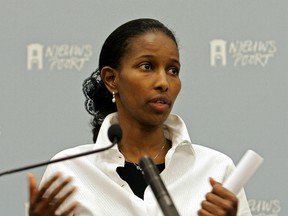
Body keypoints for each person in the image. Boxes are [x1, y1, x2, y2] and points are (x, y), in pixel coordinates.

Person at [27, 18, 252, 216]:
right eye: (147, 66)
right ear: (111, 79)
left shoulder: (215, 169)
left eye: (173, 70)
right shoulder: (69, 170)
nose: (164, 82)